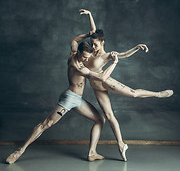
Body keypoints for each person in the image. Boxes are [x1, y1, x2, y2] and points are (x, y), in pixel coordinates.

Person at [6, 34, 119, 164]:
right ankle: (19, 151)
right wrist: (114, 62)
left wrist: (88, 34)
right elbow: (102, 78)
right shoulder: (78, 67)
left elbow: (75, 40)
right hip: (70, 98)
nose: (85, 60)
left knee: (100, 119)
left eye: (87, 57)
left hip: (78, 100)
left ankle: (92, 152)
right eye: (84, 56)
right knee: (46, 124)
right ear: (79, 53)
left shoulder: (74, 52)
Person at [78, 9, 173, 161]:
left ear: (103, 43)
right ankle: (121, 144)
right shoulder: (91, 51)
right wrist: (90, 14)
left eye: (96, 44)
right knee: (109, 116)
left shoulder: (107, 55)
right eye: (92, 44)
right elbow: (93, 31)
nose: (93, 46)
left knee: (134, 93)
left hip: (106, 82)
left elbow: (124, 55)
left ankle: (158, 94)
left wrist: (137, 47)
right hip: (96, 88)